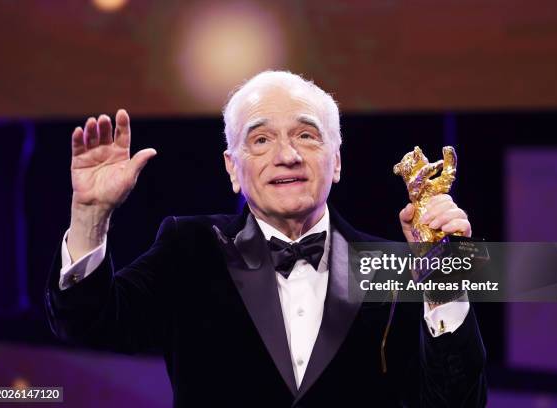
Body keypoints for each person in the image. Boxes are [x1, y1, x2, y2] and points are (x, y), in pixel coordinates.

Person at [45, 71, 486, 407]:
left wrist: (442, 282)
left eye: (306, 135)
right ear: (232, 168)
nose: (287, 155)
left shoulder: (396, 266)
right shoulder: (189, 248)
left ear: (336, 161)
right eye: (260, 140)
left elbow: (458, 403)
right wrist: (90, 216)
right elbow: (88, 325)